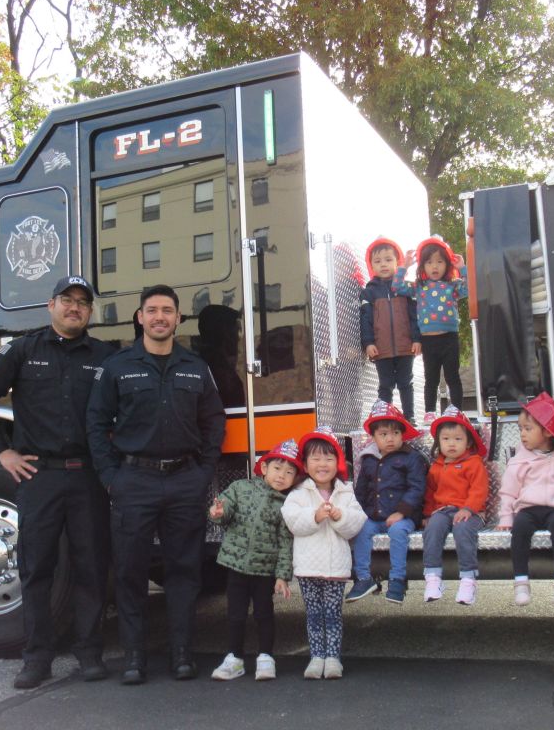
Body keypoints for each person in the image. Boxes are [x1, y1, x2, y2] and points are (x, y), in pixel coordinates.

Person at [0, 275, 114, 689]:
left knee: (92, 568)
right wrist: (3, 452)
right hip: (40, 478)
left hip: (87, 476)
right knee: (36, 570)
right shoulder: (23, 350)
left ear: (90, 312)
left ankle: (89, 652)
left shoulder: (104, 356)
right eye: (67, 300)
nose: (75, 308)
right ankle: (36, 658)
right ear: (50, 305)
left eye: (83, 303)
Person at [86, 284, 226, 685]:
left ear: (178, 318)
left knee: (185, 571)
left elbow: (214, 421)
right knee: (130, 572)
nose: (160, 316)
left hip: (185, 481)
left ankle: (182, 654)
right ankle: (134, 658)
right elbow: (96, 423)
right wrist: (111, 478)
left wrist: (204, 471)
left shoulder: (196, 367)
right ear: (140, 317)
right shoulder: (117, 367)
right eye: (152, 310)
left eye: (167, 310)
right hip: (134, 481)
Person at [208, 440, 299, 682]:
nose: (282, 476)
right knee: (235, 614)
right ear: (264, 467)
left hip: (265, 571)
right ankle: (234, 658)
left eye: (290, 472)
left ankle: (266, 657)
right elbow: (225, 510)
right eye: (278, 469)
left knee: (264, 614)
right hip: (236, 566)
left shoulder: (286, 504)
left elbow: (285, 542)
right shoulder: (240, 487)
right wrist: (218, 512)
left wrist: (282, 576)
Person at [282, 426, 367, 679]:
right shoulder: (298, 494)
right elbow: (292, 522)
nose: (323, 464)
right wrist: (315, 516)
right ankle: (316, 657)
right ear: (305, 465)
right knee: (314, 615)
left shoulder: (346, 491)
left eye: (329, 458)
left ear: (338, 462)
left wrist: (341, 517)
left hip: (336, 568)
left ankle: (333, 659)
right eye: (316, 458)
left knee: (332, 615)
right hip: (308, 567)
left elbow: (357, 522)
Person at [497, 392, 554, 607]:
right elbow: (508, 491)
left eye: (528, 429)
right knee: (520, 529)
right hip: (528, 509)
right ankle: (521, 582)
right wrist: (507, 518)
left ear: (547, 431)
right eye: (520, 429)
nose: (522, 434)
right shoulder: (519, 460)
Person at [347, 400, 426, 604]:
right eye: (383, 434)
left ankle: (397, 579)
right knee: (361, 531)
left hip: (404, 517)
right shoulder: (368, 460)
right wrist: (359, 513)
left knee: (398, 533)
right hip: (373, 516)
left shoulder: (411, 458)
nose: (390, 439)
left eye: (395, 433)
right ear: (373, 437)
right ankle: (363, 578)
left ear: (402, 435)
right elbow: (361, 491)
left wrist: (401, 512)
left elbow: (417, 488)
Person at [394, 236, 468, 424]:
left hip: (449, 338)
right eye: (429, 262)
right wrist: (404, 265)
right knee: (431, 378)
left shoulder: (452, 285)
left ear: (447, 264)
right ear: (422, 266)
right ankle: (429, 412)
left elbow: (469, 289)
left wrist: (462, 268)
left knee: (452, 376)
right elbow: (397, 287)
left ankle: (457, 410)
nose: (434, 266)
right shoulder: (420, 287)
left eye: (440, 262)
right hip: (429, 341)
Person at [421, 405, 488, 605]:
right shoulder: (436, 467)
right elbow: (430, 493)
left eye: (458, 439)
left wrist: (468, 509)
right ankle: (433, 578)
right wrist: (427, 514)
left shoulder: (474, 463)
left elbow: (479, 490)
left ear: (468, 442)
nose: (452, 444)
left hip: (471, 512)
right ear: (438, 442)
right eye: (446, 439)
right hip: (443, 511)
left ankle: (468, 579)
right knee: (432, 528)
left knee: (462, 530)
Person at [360, 237, 420, 422]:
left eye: (388, 260)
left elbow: (414, 316)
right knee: (385, 385)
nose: (383, 265)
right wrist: (368, 343)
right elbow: (365, 319)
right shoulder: (369, 292)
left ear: (397, 262)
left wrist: (417, 339)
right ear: (371, 266)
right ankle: (384, 417)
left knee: (405, 383)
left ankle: (410, 418)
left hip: (405, 346)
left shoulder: (405, 289)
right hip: (381, 348)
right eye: (377, 261)